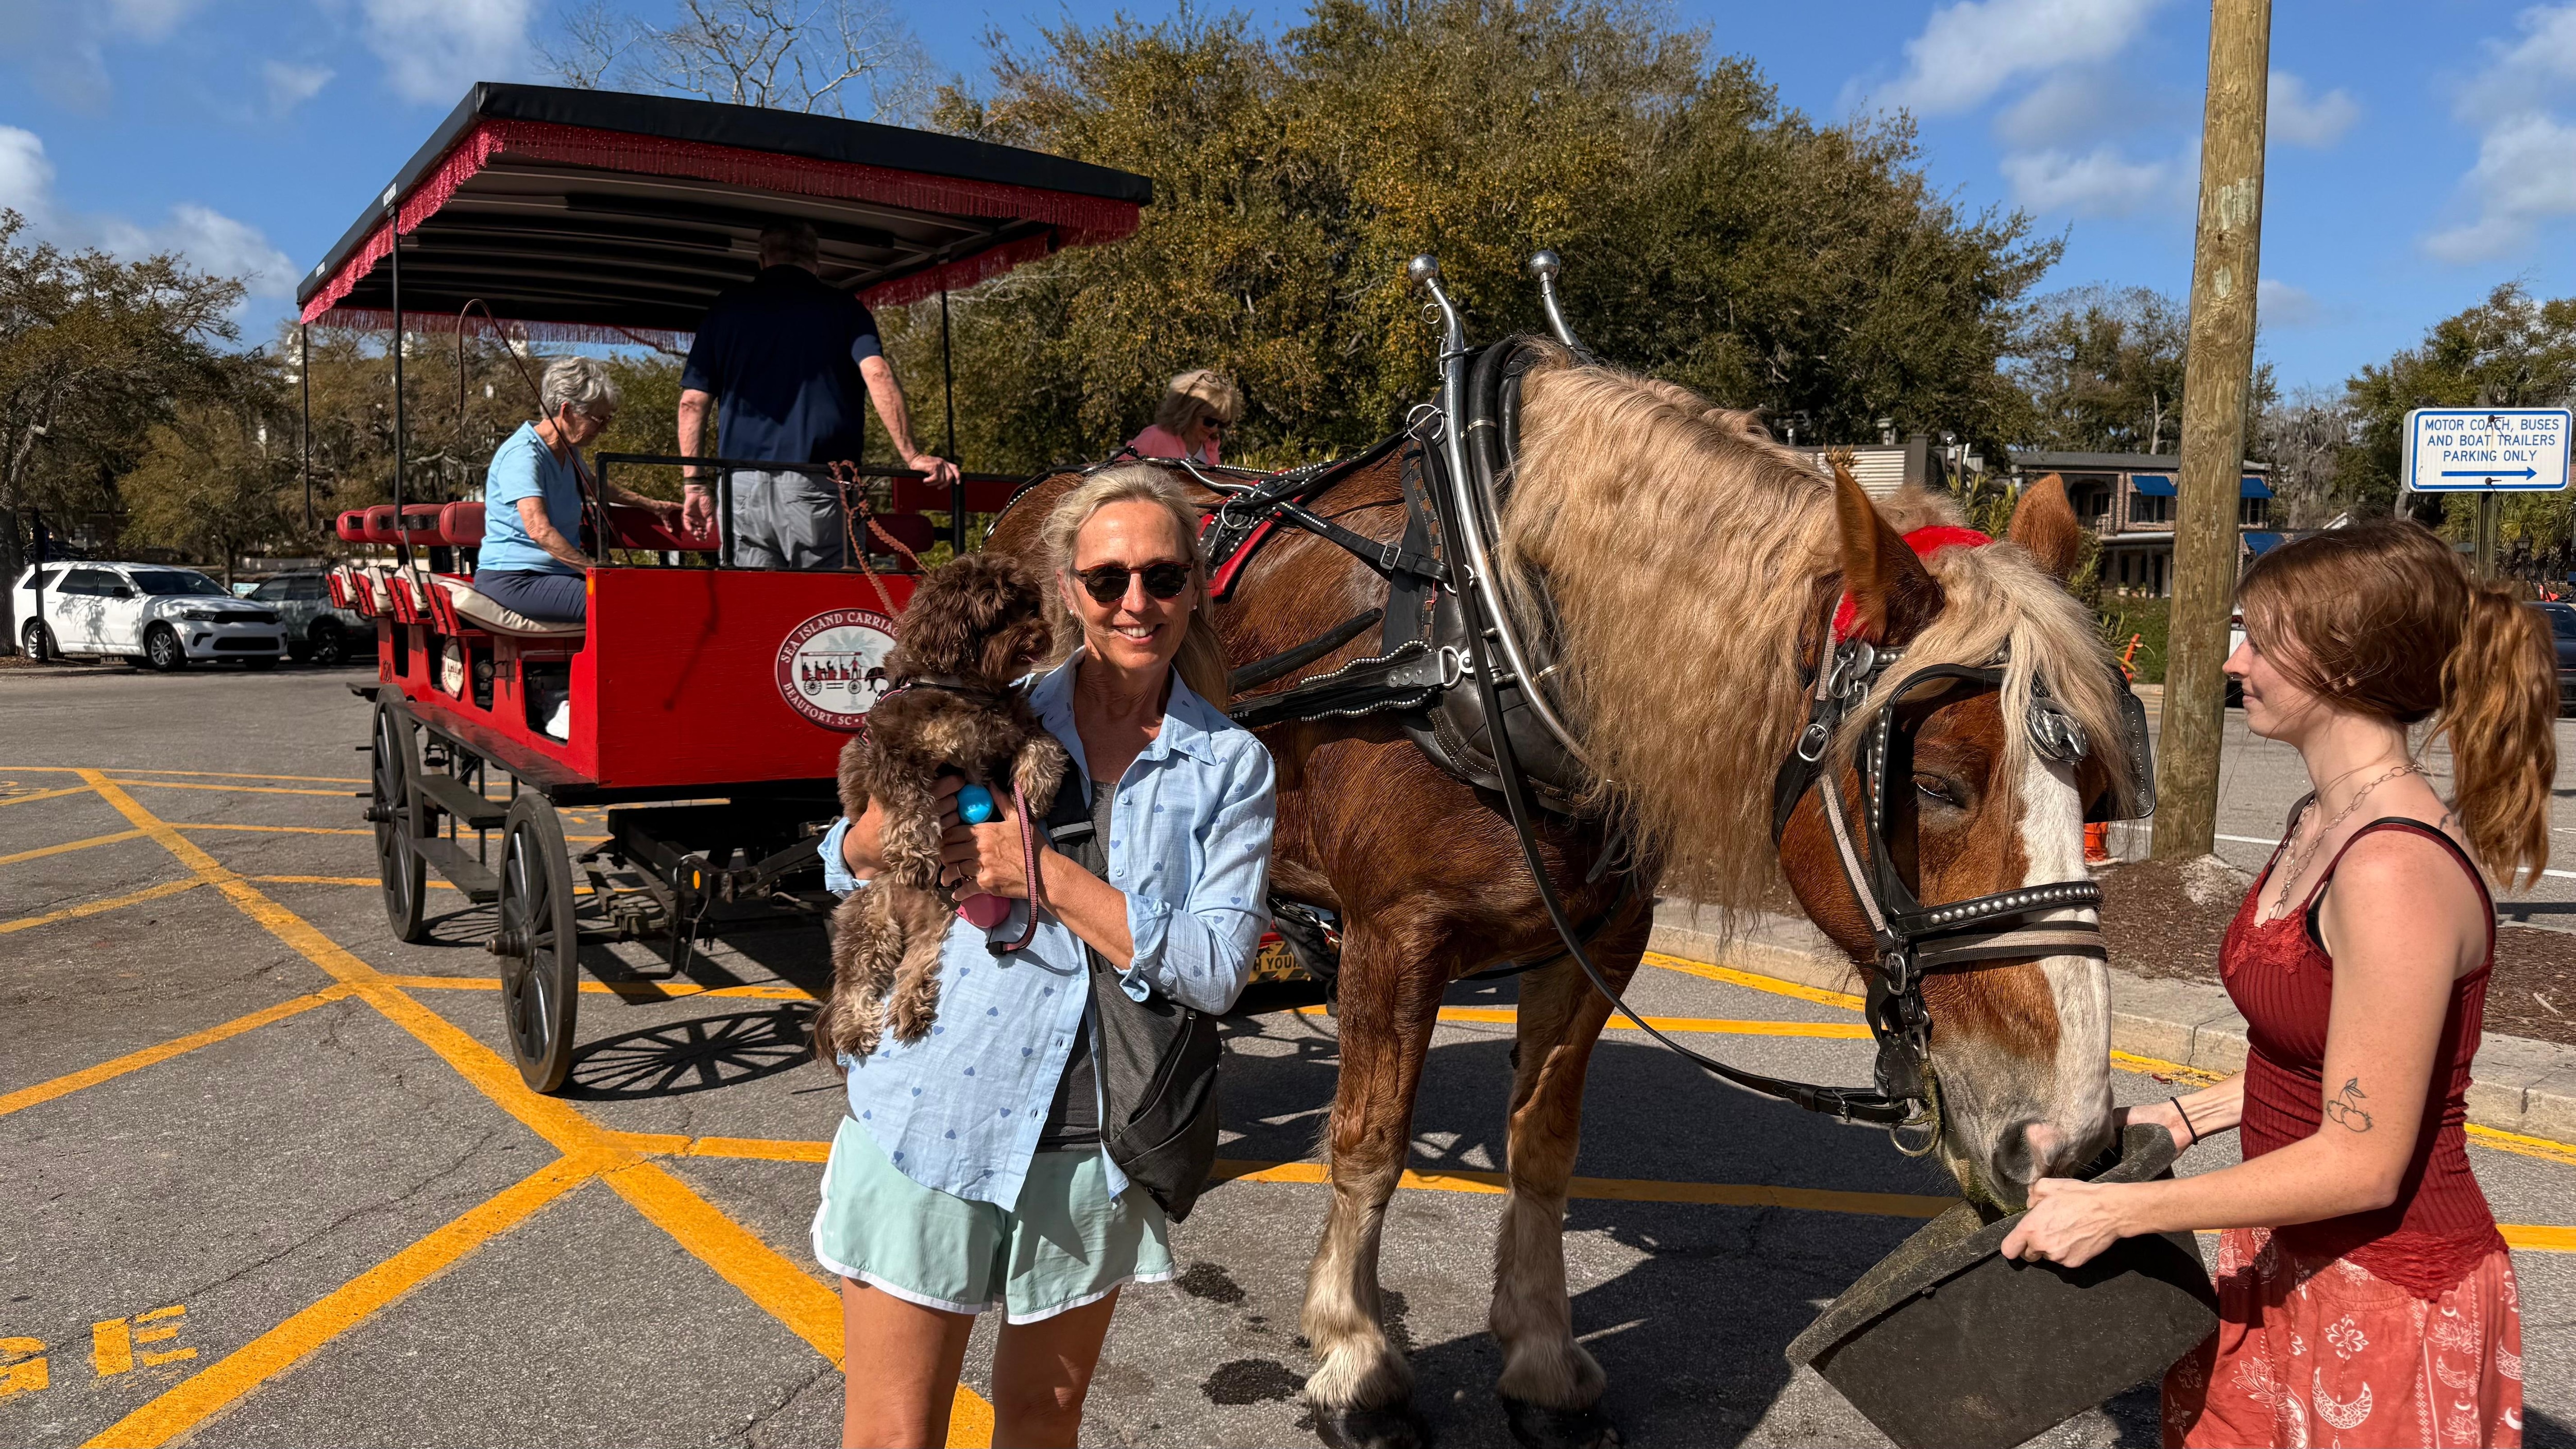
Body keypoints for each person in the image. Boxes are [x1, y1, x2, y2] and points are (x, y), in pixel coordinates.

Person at [1999, 519, 2557, 1448]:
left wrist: (2120, 1209)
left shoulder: (2392, 870)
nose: (2234, 662)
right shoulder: (2319, 818)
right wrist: (2182, 1117)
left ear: (2346, 662)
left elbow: (2364, 1160)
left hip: (2387, 1289)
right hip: (2278, 1248)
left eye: (2258, 640)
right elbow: (2328, 1058)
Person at [809, 464, 1274, 1449]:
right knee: (894, 1432)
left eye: (1162, 576)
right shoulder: (995, 709)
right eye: (1108, 579)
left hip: (1093, 1143)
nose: (1136, 601)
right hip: (931, 1107)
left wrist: (1046, 875)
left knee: (1042, 1417)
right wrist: (870, 837)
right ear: (1069, 589)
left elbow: (1218, 966)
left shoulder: (1230, 765)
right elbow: (842, 854)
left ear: (1195, 587)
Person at [676, 220, 960, 568]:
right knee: (827, 598)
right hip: (819, 487)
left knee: (753, 597)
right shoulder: (845, 308)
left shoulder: (726, 309)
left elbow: (692, 403)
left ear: (762, 261)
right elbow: (877, 373)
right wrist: (913, 455)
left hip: (741, 489)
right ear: (817, 263)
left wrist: (695, 484)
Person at [473, 356, 681, 624]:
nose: (604, 429)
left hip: (558, 574)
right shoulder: (523, 455)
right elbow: (538, 529)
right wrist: (595, 570)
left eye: (608, 420)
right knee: (624, 602)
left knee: (655, 594)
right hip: (516, 578)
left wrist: (651, 505)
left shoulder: (566, 450)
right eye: (599, 420)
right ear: (567, 410)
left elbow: (592, 484)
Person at [1125, 369, 1242, 466]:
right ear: (1188, 413)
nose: (1215, 429)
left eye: (1222, 424)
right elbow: (1120, 470)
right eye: (1210, 421)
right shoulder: (1155, 437)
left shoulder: (1211, 447)